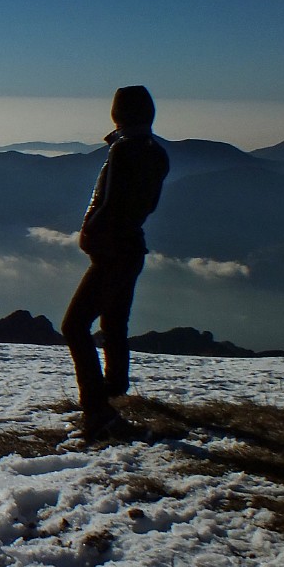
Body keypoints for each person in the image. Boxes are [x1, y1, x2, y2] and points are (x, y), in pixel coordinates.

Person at [62, 85, 170, 439]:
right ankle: (114, 389)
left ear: (118, 114)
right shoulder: (157, 153)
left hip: (112, 251)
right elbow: (145, 205)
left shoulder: (123, 151)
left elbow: (107, 202)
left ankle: (97, 410)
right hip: (133, 248)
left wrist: (89, 232)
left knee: (75, 326)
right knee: (114, 322)